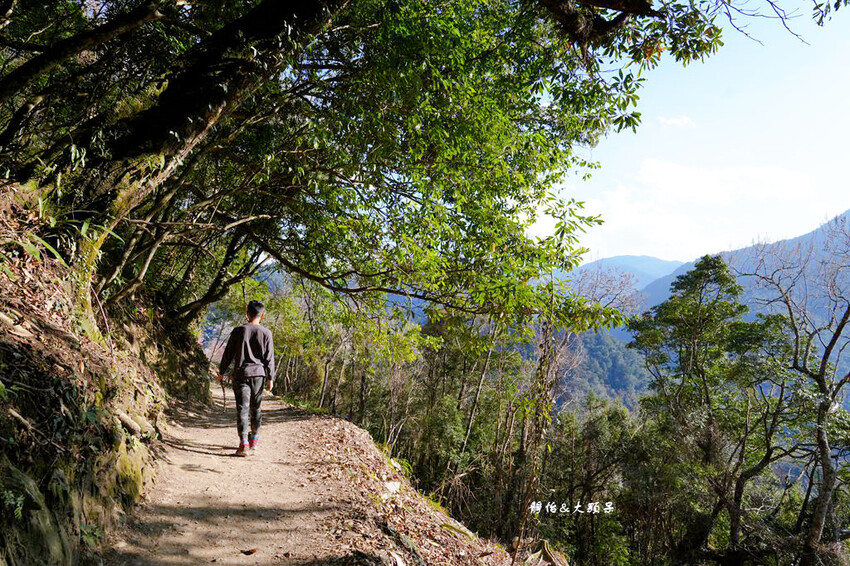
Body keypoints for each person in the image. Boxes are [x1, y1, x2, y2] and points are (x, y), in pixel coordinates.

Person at [217, 300, 275, 457]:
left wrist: (221, 372)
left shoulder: (238, 331)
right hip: (259, 375)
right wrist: (270, 378)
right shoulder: (266, 333)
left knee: (243, 408)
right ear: (262, 315)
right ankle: (254, 441)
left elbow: (228, 353)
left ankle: (244, 445)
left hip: (242, 374)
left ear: (247, 314)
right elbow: (269, 358)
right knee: (256, 408)